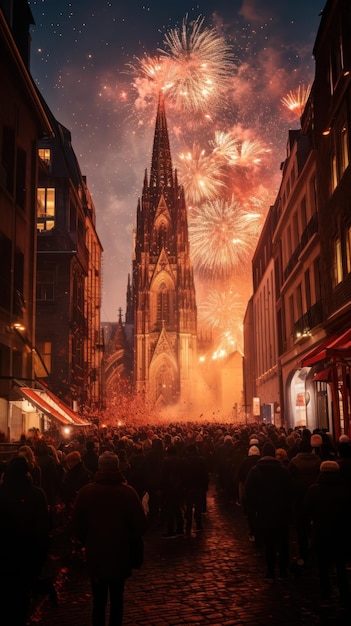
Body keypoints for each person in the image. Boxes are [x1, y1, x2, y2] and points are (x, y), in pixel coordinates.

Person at [72, 451, 146, 626]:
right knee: (117, 600)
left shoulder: (86, 492)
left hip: (96, 555)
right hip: (120, 555)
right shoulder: (128, 493)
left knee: (98, 602)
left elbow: (77, 526)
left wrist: (85, 541)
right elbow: (140, 525)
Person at [0, 456, 50, 626]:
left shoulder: (2, 493)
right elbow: (43, 529)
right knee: (21, 599)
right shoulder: (36, 494)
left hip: (5, 556)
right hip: (27, 556)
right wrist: (41, 558)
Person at [304, 460, 351, 608]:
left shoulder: (313, 490)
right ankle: (344, 595)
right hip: (341, 533)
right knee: (341, 565)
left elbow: (306, 510)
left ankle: (325, 594)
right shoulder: (345, 490)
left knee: (323, 566)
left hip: (321, 532)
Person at [245, 442, 293, 582]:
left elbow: (249, 492)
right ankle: (283, 571)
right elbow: (290, 491)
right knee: (283, 543)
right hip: (281, 512)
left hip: (263, 513)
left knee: (269, 544)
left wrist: (253, 510)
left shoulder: (255, 471)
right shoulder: (283, 471)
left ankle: (271, 572)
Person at [182, 443, 209, 534]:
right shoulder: (202, 460)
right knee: (198, 506)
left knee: (189, 507)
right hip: (199, 487)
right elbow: (205, 475)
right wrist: (205, 486)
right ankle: (198, 524)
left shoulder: (185, 461)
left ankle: (188, 526)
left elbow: (183, 476)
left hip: (188, 487)